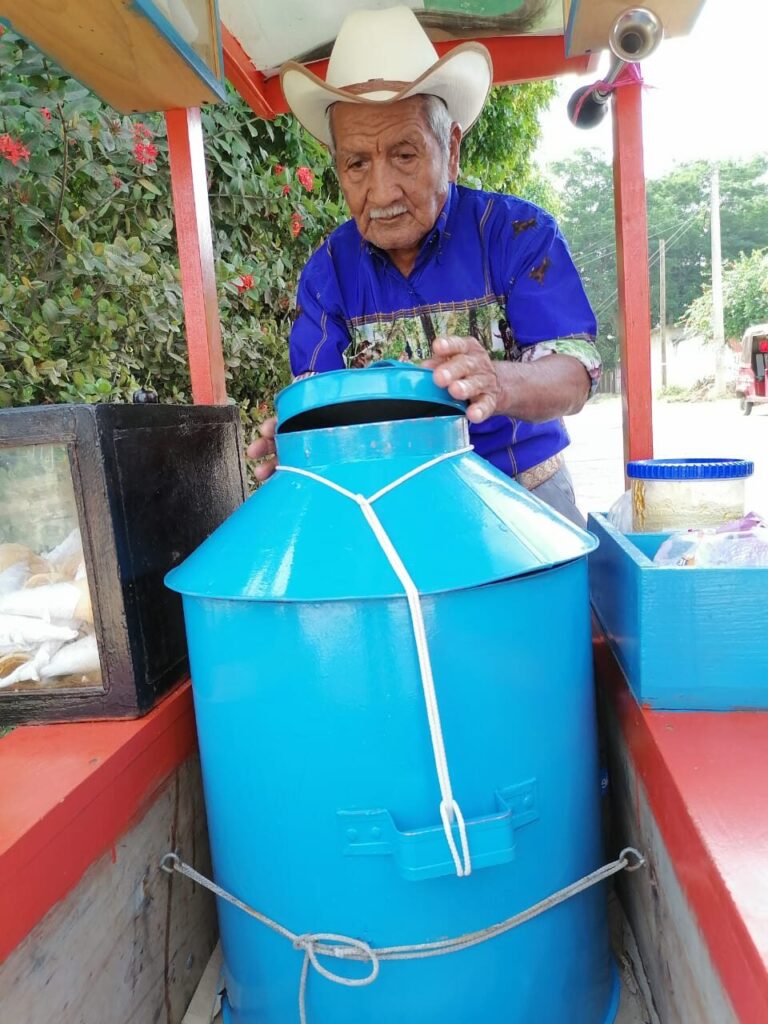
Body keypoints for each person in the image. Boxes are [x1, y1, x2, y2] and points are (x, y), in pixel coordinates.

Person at [248, 5, 600, 526]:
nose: (383, 191)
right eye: (357, 163)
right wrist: (298, 438)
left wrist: (498, 381)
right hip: (388, 512)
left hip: (524, 494)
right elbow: (318, 400)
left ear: (451, 149)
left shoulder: (517, 234)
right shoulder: (328, 271)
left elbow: (575, 373)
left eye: (405, 155)